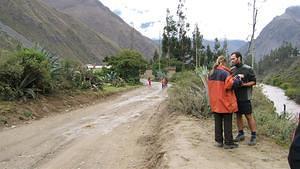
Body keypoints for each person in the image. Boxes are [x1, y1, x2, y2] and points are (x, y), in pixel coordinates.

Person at [208, 55, 242, 149]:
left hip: (215, 101)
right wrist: (238, 79)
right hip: (225, 101)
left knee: (217, 122)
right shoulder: (225, 73)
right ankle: (228, 143)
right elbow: (230, 85)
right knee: (227, 123)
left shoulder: (211, 73)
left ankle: (219, 141)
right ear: (224, 63)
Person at [230, 51, 257, 146]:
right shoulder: (232, 70)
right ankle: (240, 134)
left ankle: (254, 136)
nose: (232, 60)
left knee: (249, 116)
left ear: (239, 58)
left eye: (233, 58)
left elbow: (254, 82)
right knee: (238, 116)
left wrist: (244, 84)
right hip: (235, 97)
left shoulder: (248, 69)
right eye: (231, 59)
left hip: (245, 97)